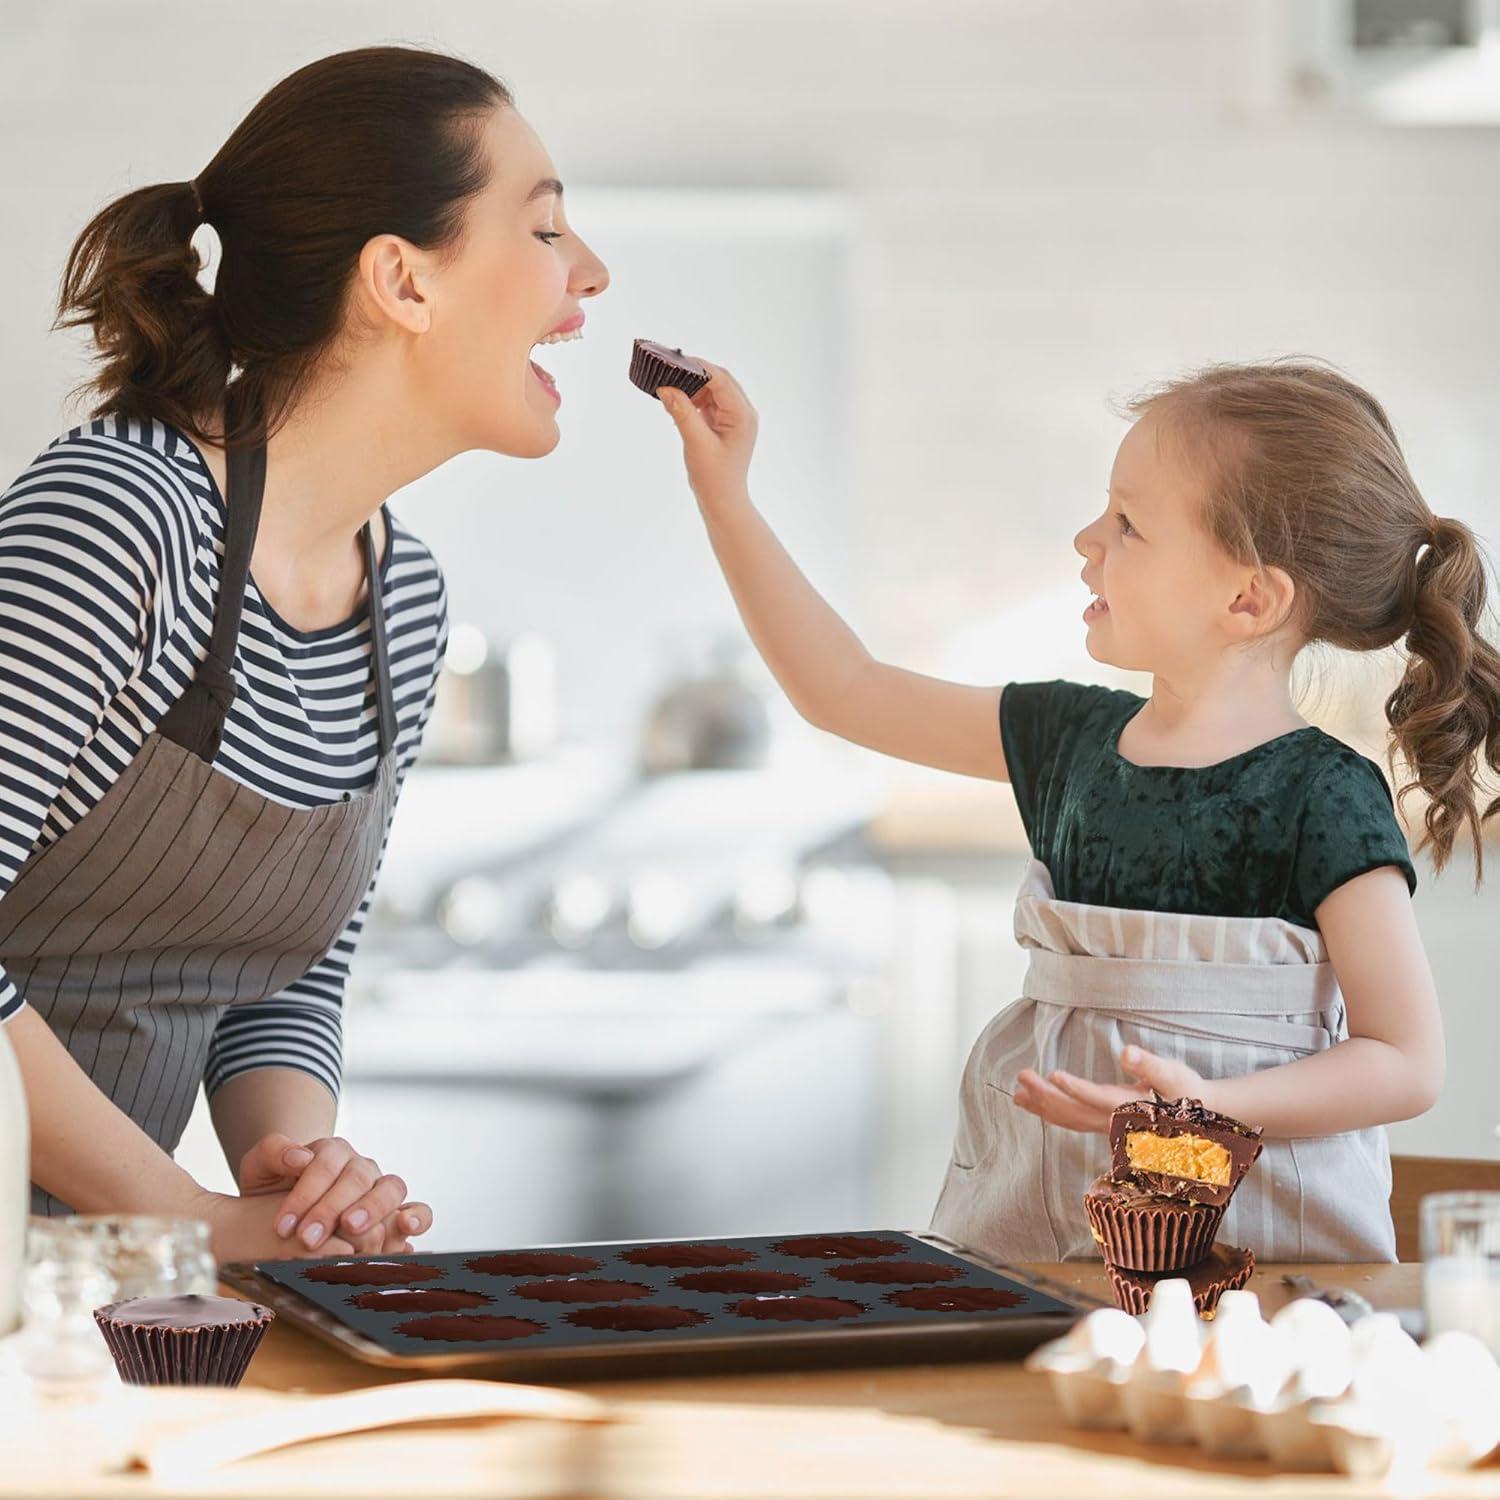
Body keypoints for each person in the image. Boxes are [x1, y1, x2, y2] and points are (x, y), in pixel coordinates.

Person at [654, 355, 1500, 1260]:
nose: (1087, 538)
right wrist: (727, 499)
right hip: (1043, 1256)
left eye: (1129, 524)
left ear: (1247, 597)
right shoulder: (1064, 738)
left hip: (1261, 1287)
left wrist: (1206, 1113)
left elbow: (1404, 1062)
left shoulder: (1323, 797)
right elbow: (845, 689)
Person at [0, 45, 608, 1261]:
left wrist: (293, 1179)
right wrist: (196, 1221)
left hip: (87, 1275)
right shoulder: (122, 520)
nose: (588, 273)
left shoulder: (405, 602)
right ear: (401, 281)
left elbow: (281, 977)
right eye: (543, 231)